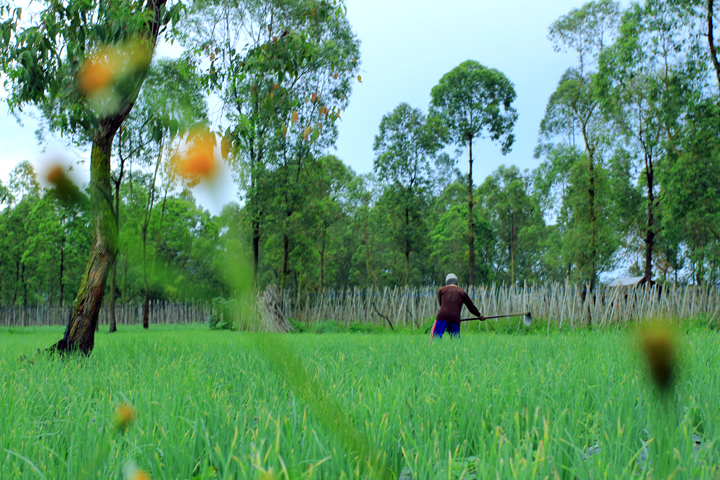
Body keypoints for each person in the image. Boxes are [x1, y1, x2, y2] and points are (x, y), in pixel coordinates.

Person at [431, 273, 485, 339]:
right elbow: (471, 307)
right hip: (455, 317)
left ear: (447, 282)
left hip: (442, 316)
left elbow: (441, 304)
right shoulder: (462, 292)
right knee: (455, 340)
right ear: (456, 282)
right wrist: (479, 316)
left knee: (436, 337)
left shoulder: (441, 290)